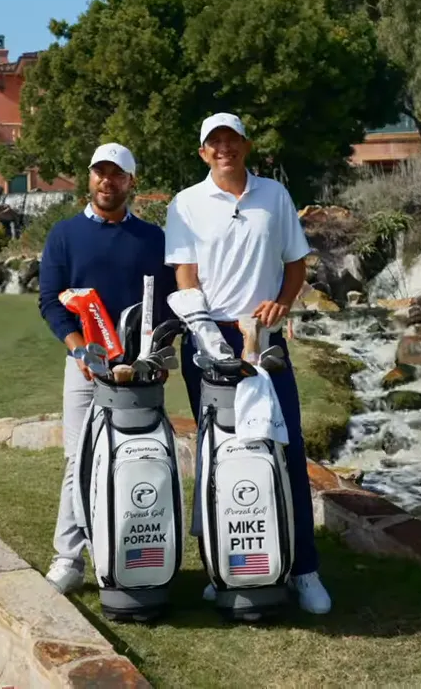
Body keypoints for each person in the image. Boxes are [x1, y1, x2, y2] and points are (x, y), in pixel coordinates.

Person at [163, 112, 332, 614]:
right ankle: (221, 566)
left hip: (265, 341)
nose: (224, 149)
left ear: (246, 145)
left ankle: (303, 569)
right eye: (214, 143)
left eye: (231, 140)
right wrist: (206, 330)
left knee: (285, 446)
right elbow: (186, 276)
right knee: (215, 453)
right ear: (202, 152)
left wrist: (281, 303)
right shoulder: (186, 203)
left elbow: (295, 263)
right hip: (208, 342)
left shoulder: (274, 196)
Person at [37, 142, 177, 594]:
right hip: (84, 367)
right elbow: (50, 301)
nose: (107, 181)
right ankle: (68, 558)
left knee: (137, 459)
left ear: (130, 182)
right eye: (100, 172)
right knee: (78, 460)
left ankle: (121, 548)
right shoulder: (64, 234)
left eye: (116, 174)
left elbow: (168, 304)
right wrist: (81, 351)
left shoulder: (153, 239)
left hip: (139, 369)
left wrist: (160, 351)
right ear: (89, 177)